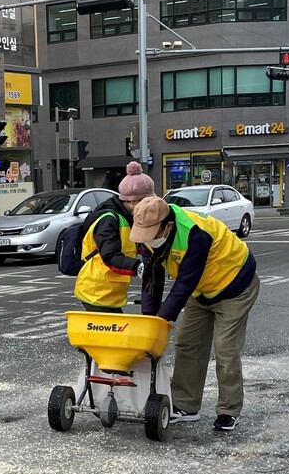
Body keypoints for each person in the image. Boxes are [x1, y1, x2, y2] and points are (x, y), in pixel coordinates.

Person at [130, 195, 260, 431]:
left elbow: (183, 285)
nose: (146, 241)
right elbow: (151, 279)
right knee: (187, 344)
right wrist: (149, 324)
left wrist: (161, 322)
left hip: (235, 285)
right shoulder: (149, 234)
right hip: (202, 290)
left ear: (167, 226)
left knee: (225, 348)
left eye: (150, 235)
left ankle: (229, 411)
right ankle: (186, 405)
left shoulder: (195, 234)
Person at [74, 161, 155, 313]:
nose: (148, 207)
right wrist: (138, 266)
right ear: (132, 201)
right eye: (146, 202)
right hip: (96, 292)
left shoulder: (125, 217)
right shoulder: (110, 219)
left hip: (108, 293)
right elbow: (110, 256)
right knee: (109, 335)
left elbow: (134, 245)